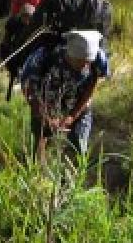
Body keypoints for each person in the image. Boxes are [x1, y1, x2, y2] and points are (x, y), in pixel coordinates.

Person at [20, 29, 108, 161]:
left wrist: (72, 116)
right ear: (69, 55)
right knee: (40, 138)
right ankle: (39, 173)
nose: (84, 65)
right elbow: (29, 90)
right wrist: (46, 117)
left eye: (87, 62)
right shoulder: (42, 57)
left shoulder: (98, 58)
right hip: (45, 99)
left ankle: (74, 175)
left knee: (79, 143)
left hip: (77, 100)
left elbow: (91, 86)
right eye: (80, 61)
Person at [0, 0, 43, 99]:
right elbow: (5, 42)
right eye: (24, 17)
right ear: (20, 15)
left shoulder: (39, 26)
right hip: (17, 53)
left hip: (33, 54)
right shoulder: (13, 23)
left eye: (29, 17)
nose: (26, 20)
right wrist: (9, 60)